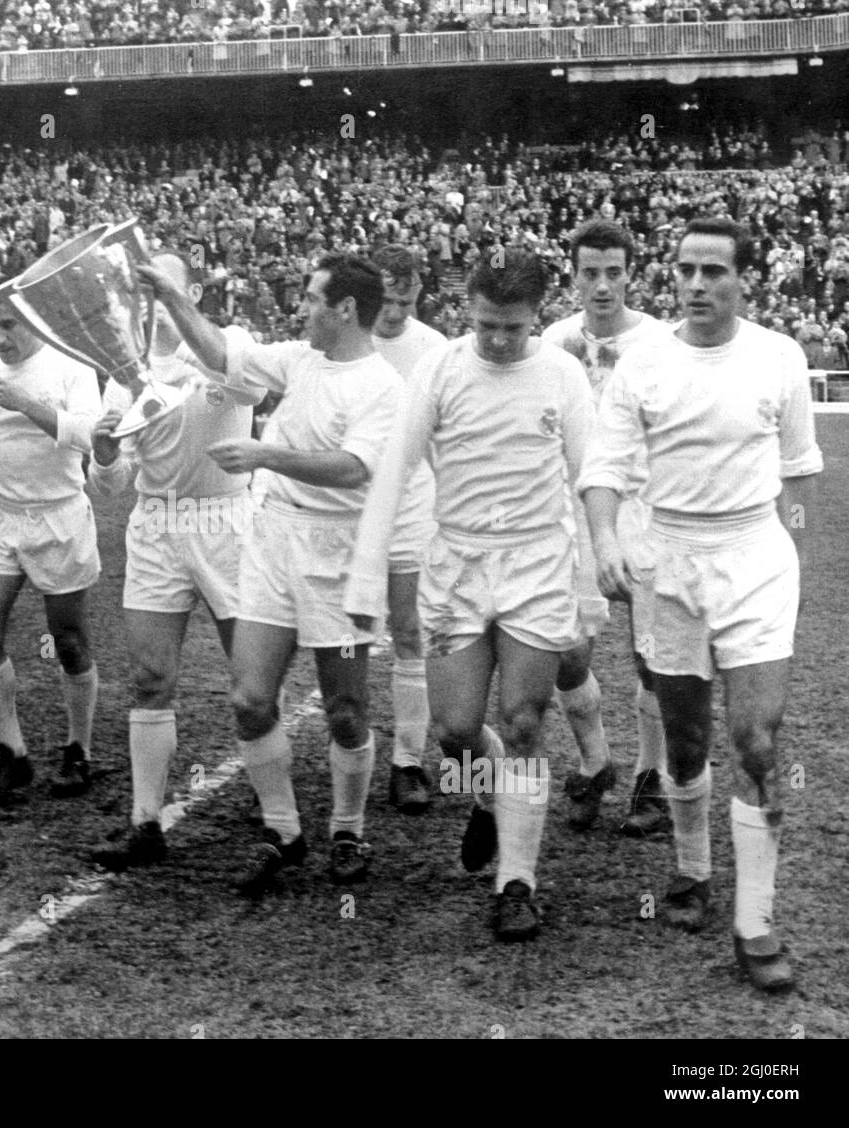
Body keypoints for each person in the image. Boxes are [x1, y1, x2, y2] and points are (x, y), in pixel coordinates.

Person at [579, 217, 821, 993]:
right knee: (685, 742)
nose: (696, 284)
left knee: (756, 739)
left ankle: (755, 922)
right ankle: (691, 867)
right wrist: (608, 542)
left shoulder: (779, 356)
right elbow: (604, 467)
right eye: (685, 270)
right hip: (670, 560)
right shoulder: (641, 362)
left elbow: (799, 470)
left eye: (714, 271)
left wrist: (793, 564)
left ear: (743, 278)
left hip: (753, 557)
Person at [345, 249, 593, 942]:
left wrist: (592, 579)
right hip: (455, 561)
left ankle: (518, 882)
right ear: (469, 312)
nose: (498, 339)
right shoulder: (441, 367)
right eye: (486, 324)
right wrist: (367, 574)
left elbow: (589, 474)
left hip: (537, 562)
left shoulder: (563, 374)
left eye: (512, 328)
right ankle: (488, 797)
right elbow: (393, 469)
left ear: (534, 317)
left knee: (521, 722)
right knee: (455, 732)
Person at [140, 252, 401, 893]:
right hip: (273, 540)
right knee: (249, 698)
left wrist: (265, 454)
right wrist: (173, 295)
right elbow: (216, 352)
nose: (302, 307)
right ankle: (283, 831)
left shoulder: (383, 386)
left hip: (337, 552)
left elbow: (352, 469)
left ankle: (348, 827)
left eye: (313, 298)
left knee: (344, 709)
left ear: (345, 309)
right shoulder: (299, 358)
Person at [85, 250, 263, 869]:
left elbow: (255, 386)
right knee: (150, 678)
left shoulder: (228, 343)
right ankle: (145, 822)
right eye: (145, 289)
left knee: (252, 683)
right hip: (156, 525)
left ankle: (280, 823)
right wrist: (105, 450)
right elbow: (110, 486)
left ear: (189, 291)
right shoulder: (124, 370)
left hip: (227, 522)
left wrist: (180, 313)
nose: (154, 299)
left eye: (166, 287)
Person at [540, 219, 676, 835]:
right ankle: (596, 762)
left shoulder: (660, 342)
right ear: (573, 276)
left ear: (631, 275)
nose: (602, 286)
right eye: (590, 273)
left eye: (613, 273)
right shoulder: (553, 341)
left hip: (645, 507)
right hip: (573, 510)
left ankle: (652, 778)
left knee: (654, 657)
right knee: (565, 651)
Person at [0, 276, 103, 804]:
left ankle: (78, 749)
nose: (0, 338)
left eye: (8, 324)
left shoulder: (71, 365)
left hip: (58, 516)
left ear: (31, 315)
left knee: (67, 640)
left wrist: (27, 404)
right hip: (0, 518)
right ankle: (12, 753)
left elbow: (91, 437)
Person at [369, 244, 448, 815]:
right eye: (387, 299)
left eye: (407, 299)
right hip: (345, 504)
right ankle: (346, 748)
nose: (395, 312)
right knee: (337, 633)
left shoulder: (434, 350)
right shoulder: (343, 338)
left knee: (408, 629)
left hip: (413, 502)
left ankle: (407, 760)